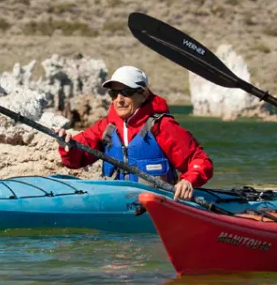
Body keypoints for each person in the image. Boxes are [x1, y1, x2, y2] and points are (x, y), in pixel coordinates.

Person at [55, 65, 213, 201]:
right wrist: (67, 146)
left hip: (156, 203)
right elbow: (75, 160)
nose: (119, 99)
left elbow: (200, 161)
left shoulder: (163, 126)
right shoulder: (106, 126)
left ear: (143, 95)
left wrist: (188, 181)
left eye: (126, 92)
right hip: (115, 201)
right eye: (114, 94)